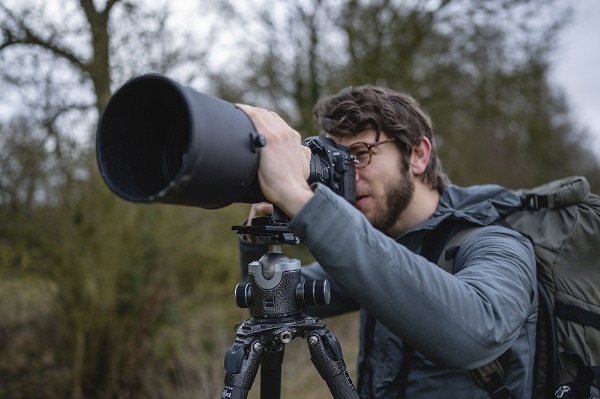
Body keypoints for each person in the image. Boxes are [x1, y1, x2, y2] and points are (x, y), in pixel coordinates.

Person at [236, 86, 537, 398]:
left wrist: (302, 200)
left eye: (360, 154)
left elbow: (479, 332)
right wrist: (261, 230)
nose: (348, 176)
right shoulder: (377, 243)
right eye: (338, 160)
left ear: (418, 155)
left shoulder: (494, 239)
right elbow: (268, 299)